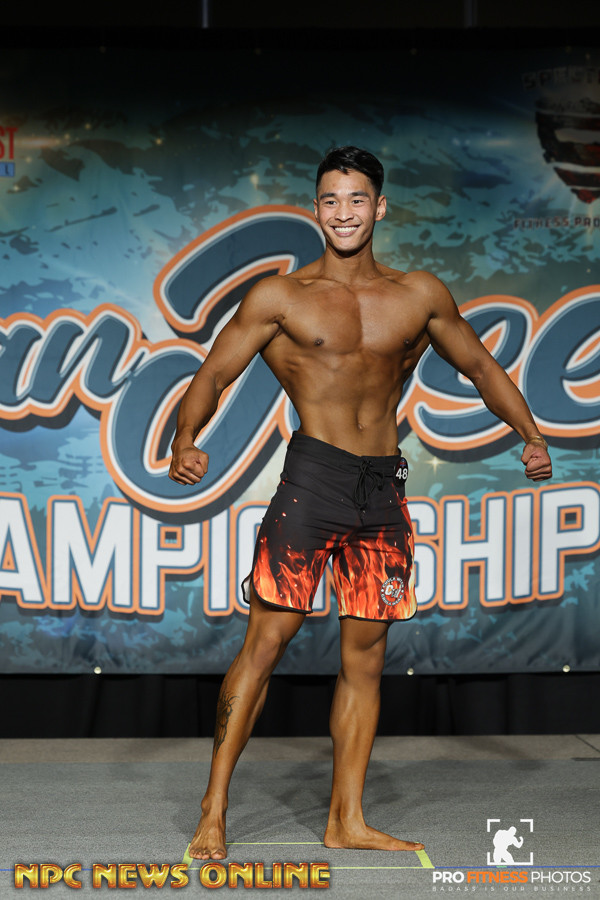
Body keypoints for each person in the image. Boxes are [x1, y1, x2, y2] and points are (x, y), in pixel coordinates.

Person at [169, 146, 552, 860]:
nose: (343, 213)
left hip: (382, 491)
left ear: (379, 207)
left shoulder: (419, 295)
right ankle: (212, 809)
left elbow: (479, 365)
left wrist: (530, 434)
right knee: (266, 644)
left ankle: (346, 818)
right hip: (312, 482)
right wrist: (185, 438)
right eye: (330, 200)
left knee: (366, 659)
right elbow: (215, 372)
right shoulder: (280, 297)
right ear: (315, 209)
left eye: (356, 200)